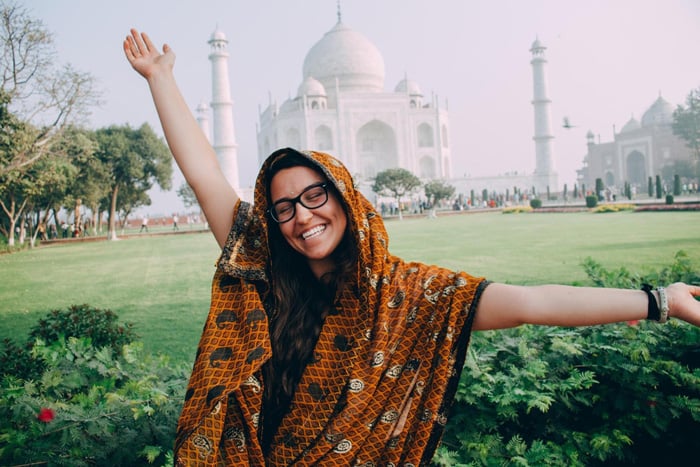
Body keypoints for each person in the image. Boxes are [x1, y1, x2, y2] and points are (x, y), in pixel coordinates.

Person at [123, 29, 700, 466]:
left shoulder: (410, 295)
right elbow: (204, 175)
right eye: (284, 208)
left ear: (346, 196)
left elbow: (529, 302)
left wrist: (659, 300)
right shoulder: (266, 268)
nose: (302, 217)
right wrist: (161, 79)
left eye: (315, 195)